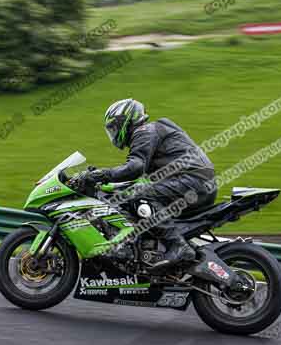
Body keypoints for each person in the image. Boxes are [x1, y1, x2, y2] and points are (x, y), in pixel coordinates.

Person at [86, 98, 217, 272]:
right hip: (193, 182)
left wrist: (102, 175)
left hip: (192, 181)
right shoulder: (149, 133)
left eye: (114, 127)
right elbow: (137, 176)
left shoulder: (145, 131)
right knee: (131, 195)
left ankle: (178, 245)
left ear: (126, 120)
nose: (113, 133)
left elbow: (135, 167)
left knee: (139, 196)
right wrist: (105, 181)